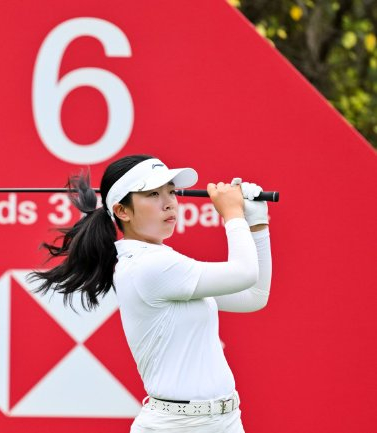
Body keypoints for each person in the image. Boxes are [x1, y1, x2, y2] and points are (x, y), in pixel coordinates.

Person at [29, 154, 272, 432]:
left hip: (225, 422)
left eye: (171, 192)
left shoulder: (162, 262)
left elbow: (253, 295)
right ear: (122, 211)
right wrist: (233, 215)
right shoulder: (150, 266)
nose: (169, 202)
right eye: (153, 194)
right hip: (177, 427)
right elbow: (244, 273)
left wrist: (257, 224)